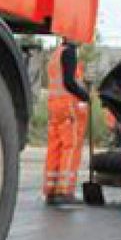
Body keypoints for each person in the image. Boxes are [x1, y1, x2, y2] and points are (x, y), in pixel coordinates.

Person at [43, 39, 90, 205]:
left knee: (54, 147)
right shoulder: (69, 52)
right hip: (66, 106)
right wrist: (85, 96)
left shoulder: (55, 54)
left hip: (54, 105)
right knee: (69, 147)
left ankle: (51, 190)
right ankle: (64, 191)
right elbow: (69, 82)